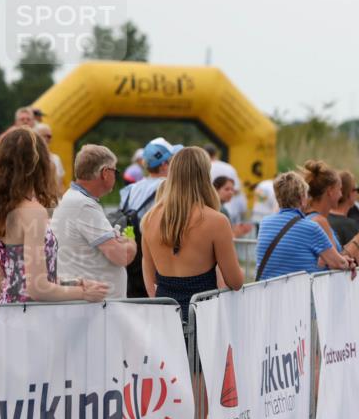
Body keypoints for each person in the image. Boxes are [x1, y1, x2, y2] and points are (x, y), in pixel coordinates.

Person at [0, 127, 108, 303]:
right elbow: (37, 289)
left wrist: (75, 283)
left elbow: (19, 278)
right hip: (31, 313)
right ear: (39, 164)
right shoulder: (32, 212)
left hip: (8, 309)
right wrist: (83, 293)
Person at [140, 147, 243, 319]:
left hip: (165, 316)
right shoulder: (216, 221)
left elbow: (151, 278)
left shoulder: (149, 219)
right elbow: (236, 282)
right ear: (205, 176)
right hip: (202, 317)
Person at [51, 145, 137, 299]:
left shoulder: (74, 198)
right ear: (105, 173)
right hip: (96, 306)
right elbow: (122, 257)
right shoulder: (83, 205)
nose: (115, 176)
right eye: (115, 171)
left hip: (94, 303)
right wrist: (131, 242)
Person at [255, 171, 352, 280]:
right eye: (306, 195)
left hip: (267, 289)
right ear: (302, 199)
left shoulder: (265, 223)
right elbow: (337, 263)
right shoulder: (311, 227)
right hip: (299, 289)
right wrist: (348, 262)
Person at [119, 137, 181, 298]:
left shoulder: (131, 189)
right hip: (157, 261)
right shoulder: (169, 188)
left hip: (131, 259)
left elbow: (126, 222)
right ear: (164, 164)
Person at [303, 160, 359, 267]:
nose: (340, 195)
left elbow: (334, 259)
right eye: (339, 190)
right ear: (330, 191)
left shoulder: (309, 217)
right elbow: (335, 265)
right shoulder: (320, 221)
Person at [205, 143, 248, 225]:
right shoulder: (229, 167)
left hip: (211, 209)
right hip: (232, 209)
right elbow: (237, 190)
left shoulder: (204, 168)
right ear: (215, 154)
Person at [327, 170, 359, 246]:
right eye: (357, 189)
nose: (357, 193)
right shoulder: (349, 225)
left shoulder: (321, 218)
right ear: (349, 193)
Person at [34, 123, 65, 188]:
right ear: (35, 137)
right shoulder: (29, 158)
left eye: (49, 136)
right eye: (43, 136)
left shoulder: (56, 159)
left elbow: (60, 184)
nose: (47, 138)